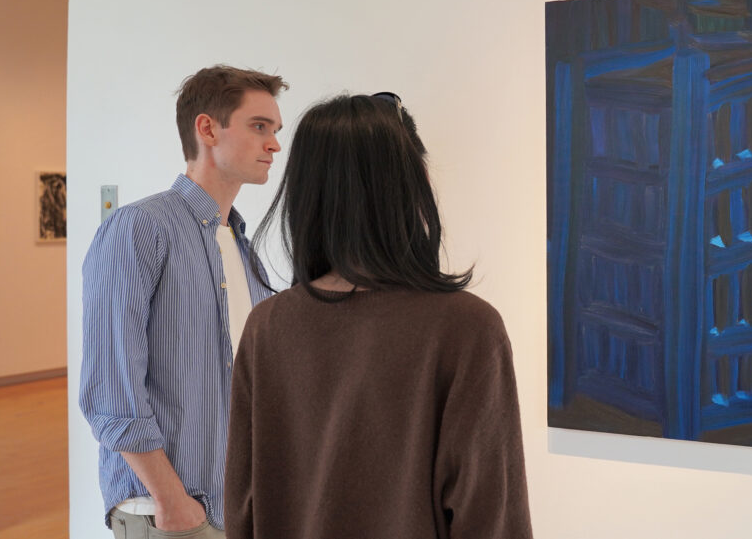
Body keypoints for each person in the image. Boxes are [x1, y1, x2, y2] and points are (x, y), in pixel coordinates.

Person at [224, 93, 533, 538]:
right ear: (414, 185)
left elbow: (242, 508)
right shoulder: (466, 328)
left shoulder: (270, 327)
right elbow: (490, 515)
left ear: (307, 194)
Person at [80, 65, 288, 538]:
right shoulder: (138, 229)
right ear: (207, 128)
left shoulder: (240, 246)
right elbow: (111, 389)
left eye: (275, 131)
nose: (274, 144)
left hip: (230, 508)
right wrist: (171, 501)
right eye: (260, 127)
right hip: (167, 513)